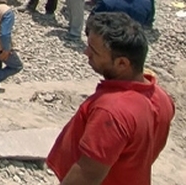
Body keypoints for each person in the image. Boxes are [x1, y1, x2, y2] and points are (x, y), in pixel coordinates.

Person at [46, 13, 175, 184]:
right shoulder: (162, 97)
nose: (86, 53)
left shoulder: (111, 111)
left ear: (122, 63)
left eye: (93, 50)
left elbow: (87, 174)